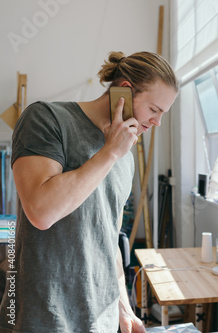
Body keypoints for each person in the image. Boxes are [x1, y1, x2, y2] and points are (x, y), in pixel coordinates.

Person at [0, 51, 178, 332]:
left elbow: (109, 239)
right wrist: (109, 153)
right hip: (42, 319)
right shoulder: (46, 118)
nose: (156, 122)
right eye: (154, 110)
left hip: (100, 321)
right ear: (126, 92)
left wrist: (124, 308)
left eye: (162, 114)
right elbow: (40, 211)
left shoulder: (126, 156)